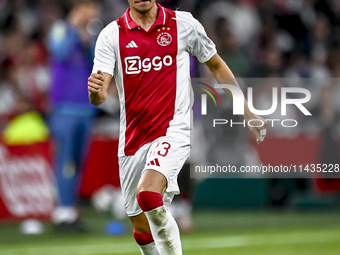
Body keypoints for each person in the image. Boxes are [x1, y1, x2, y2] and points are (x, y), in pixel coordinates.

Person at [88, 0, 267, 254]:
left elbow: (215, 64)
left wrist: (247, 110)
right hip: (133, 138)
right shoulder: (111, 35)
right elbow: (100, 92)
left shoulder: (183, 24)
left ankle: (184, 209)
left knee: (149, 194)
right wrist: (95, 92)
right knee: (140, 224)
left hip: (174, 129)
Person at [48, 0, 100, 231]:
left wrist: (86, 38)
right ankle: (62, 212)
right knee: (66, 161)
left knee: (78, 162)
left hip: (85, 109)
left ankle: (70, 209)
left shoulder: (89, 35)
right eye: (88, 12)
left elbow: (96, 62)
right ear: (78, 11)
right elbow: (60, 53)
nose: (91, 17)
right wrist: (73, 28)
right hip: (64, 108)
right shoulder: (61, 29)